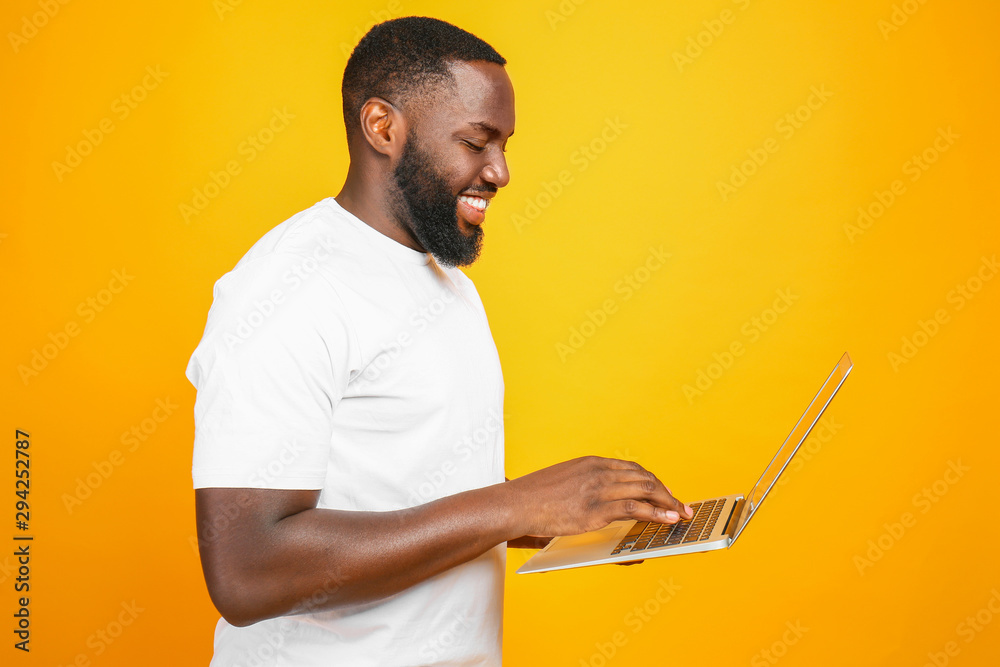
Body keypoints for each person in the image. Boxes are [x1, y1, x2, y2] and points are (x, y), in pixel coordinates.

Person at [186, 15, 692, 666]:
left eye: (505, 144)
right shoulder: (285, 289)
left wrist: (570, 517)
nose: (501, 171)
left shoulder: (443, 281)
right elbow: (246, 568)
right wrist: (517, 501)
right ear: (383, 127)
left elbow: (416, 492)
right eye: (476, 141)